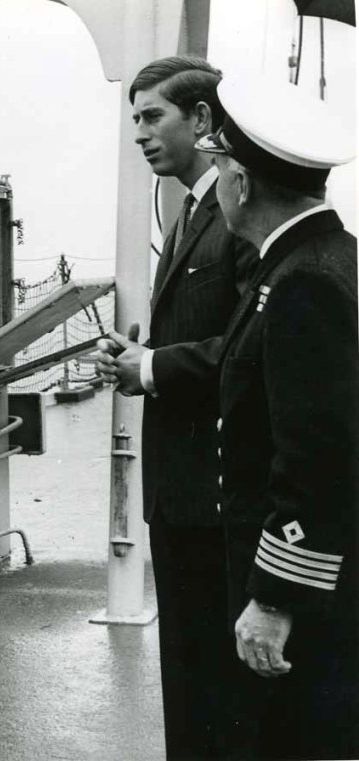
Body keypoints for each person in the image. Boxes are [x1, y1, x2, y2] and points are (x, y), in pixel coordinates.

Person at [95, 56, 257, 759]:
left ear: (201, 118)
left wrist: (153, 366)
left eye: (153, 116)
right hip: (181, 489)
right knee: (189, 676)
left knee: (218, 684)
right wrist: (138, 362)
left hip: (216, 491)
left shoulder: (237, 215)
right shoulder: (192, 209)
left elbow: (251, 346)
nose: (140, 134)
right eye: (135, 119)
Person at [195, 73, 358, 761]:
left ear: (241, 182)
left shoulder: (302, 284)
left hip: (307, 601)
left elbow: (320, 456)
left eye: (216, 165)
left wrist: (275, 599)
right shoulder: (326, 258)